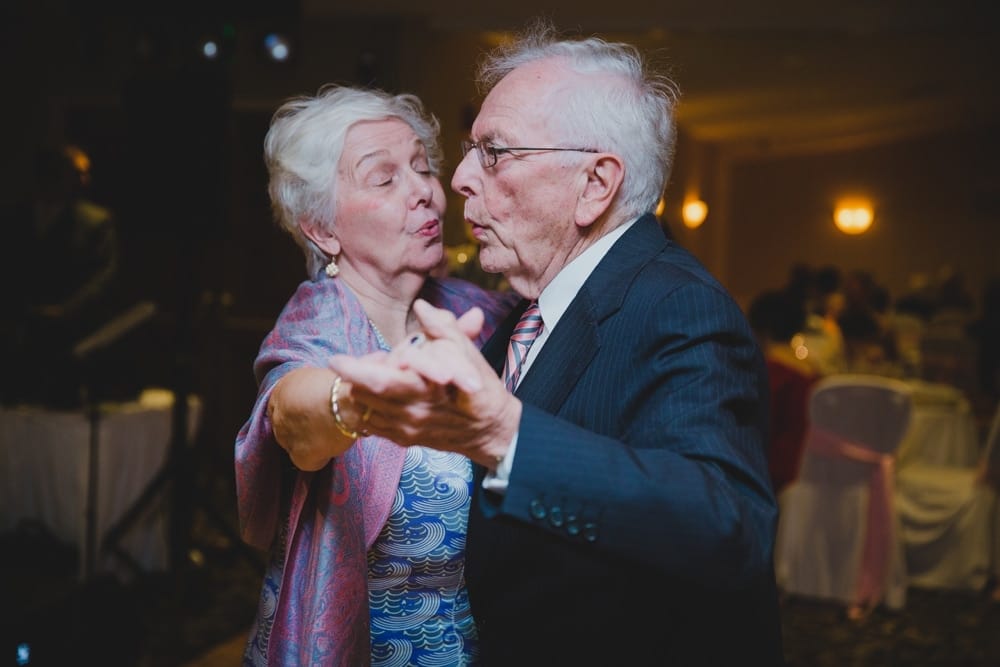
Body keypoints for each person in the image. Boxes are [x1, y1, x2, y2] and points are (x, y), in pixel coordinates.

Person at [329, 20, 785, 666]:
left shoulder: (678, 305)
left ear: (595, 184)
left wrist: (506, 436)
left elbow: (728, 528)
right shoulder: (522, 309)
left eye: (494, 152)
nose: (457, 178)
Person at [233, 84, 517, 666]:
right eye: (384, 179)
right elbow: (291, 416)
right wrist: (358, 401)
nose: (425, 194)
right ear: (322, 228)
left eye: (421, 168)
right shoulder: (315, 323)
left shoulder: (481, 314)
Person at [0, 142, 120, 407]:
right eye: (77, 173)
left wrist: (64, 310)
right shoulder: (14, 218)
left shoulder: (95, 222)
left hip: (69, 341)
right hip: (16, 340)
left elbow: (103, 278)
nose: (84, 180)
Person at [748, 288, 818, 495]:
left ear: (761, 331)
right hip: (810, 479)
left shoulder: (768, 375)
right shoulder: (814, 374)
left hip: (770, 478)